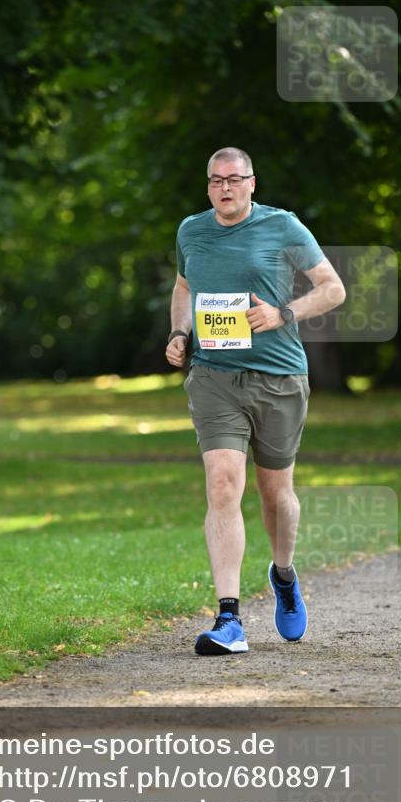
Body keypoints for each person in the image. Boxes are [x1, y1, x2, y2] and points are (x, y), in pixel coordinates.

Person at [166, 147, 345, 655]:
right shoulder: (191, 231)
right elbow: (183, 288)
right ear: (208, 187)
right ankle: (229, 619)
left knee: (276, 496)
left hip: (280, 378)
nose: (225, 187)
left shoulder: (282, 226)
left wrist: (283, 314)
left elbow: (332, 290)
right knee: (223, 484)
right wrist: (180, 332)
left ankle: (283, 575)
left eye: (234, 179)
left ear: (251, 183)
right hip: (214, 376)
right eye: (216, 180)